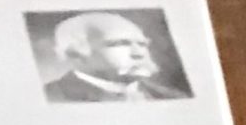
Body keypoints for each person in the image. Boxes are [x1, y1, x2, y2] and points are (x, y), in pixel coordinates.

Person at [41, 11, 186, 103]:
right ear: (74, 53)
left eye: (142, 44)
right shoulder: (50, 97)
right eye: (119, 44)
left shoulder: (174, 97)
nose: (139, 53)